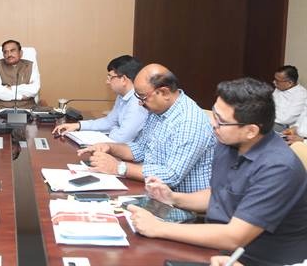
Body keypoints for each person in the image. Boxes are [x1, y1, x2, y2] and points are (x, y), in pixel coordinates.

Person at [129, 78, 307, 266]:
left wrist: (158, 228)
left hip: (255, 260)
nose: (213, 124)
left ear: (251, 131)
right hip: (217, 248)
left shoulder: (278, 168)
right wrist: (173, 198)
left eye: (221, 121)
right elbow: (220, 194)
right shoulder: (229, 142)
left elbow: (234, 237)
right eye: (214, 114)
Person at [78, 64, 214, 192]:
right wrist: (110, 147)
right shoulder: (158, 110)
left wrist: (118, 167)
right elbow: (141, 149)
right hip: (152, 190)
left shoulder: (189, 121)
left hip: (180, 200)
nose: (140, 103)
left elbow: (171, 176)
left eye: (142, 97)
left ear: (164, 92)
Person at [52, 55, 148, 143]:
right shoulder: (122, 96)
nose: (107, 82)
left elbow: (121, 138)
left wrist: (113, 127)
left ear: (123, 79)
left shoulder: (137, 102)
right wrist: (78, 125)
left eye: (110, 77)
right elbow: (109, 122)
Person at [0, 39, 40, 110]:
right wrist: (20, 96)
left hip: (27, 109)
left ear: (20, 53)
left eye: (12, 51)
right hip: (0, 109)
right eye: (5, 52)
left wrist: (10, 88)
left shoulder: (30, 65)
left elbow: (34, 89)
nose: (9, 54)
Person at [272, 65, 307, 132]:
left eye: (277, 80)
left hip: (284, 127)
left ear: (290, 83)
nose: (274, 82)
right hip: (271, 120)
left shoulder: (301, 95)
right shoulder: (279, 88)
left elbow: (284, 119)